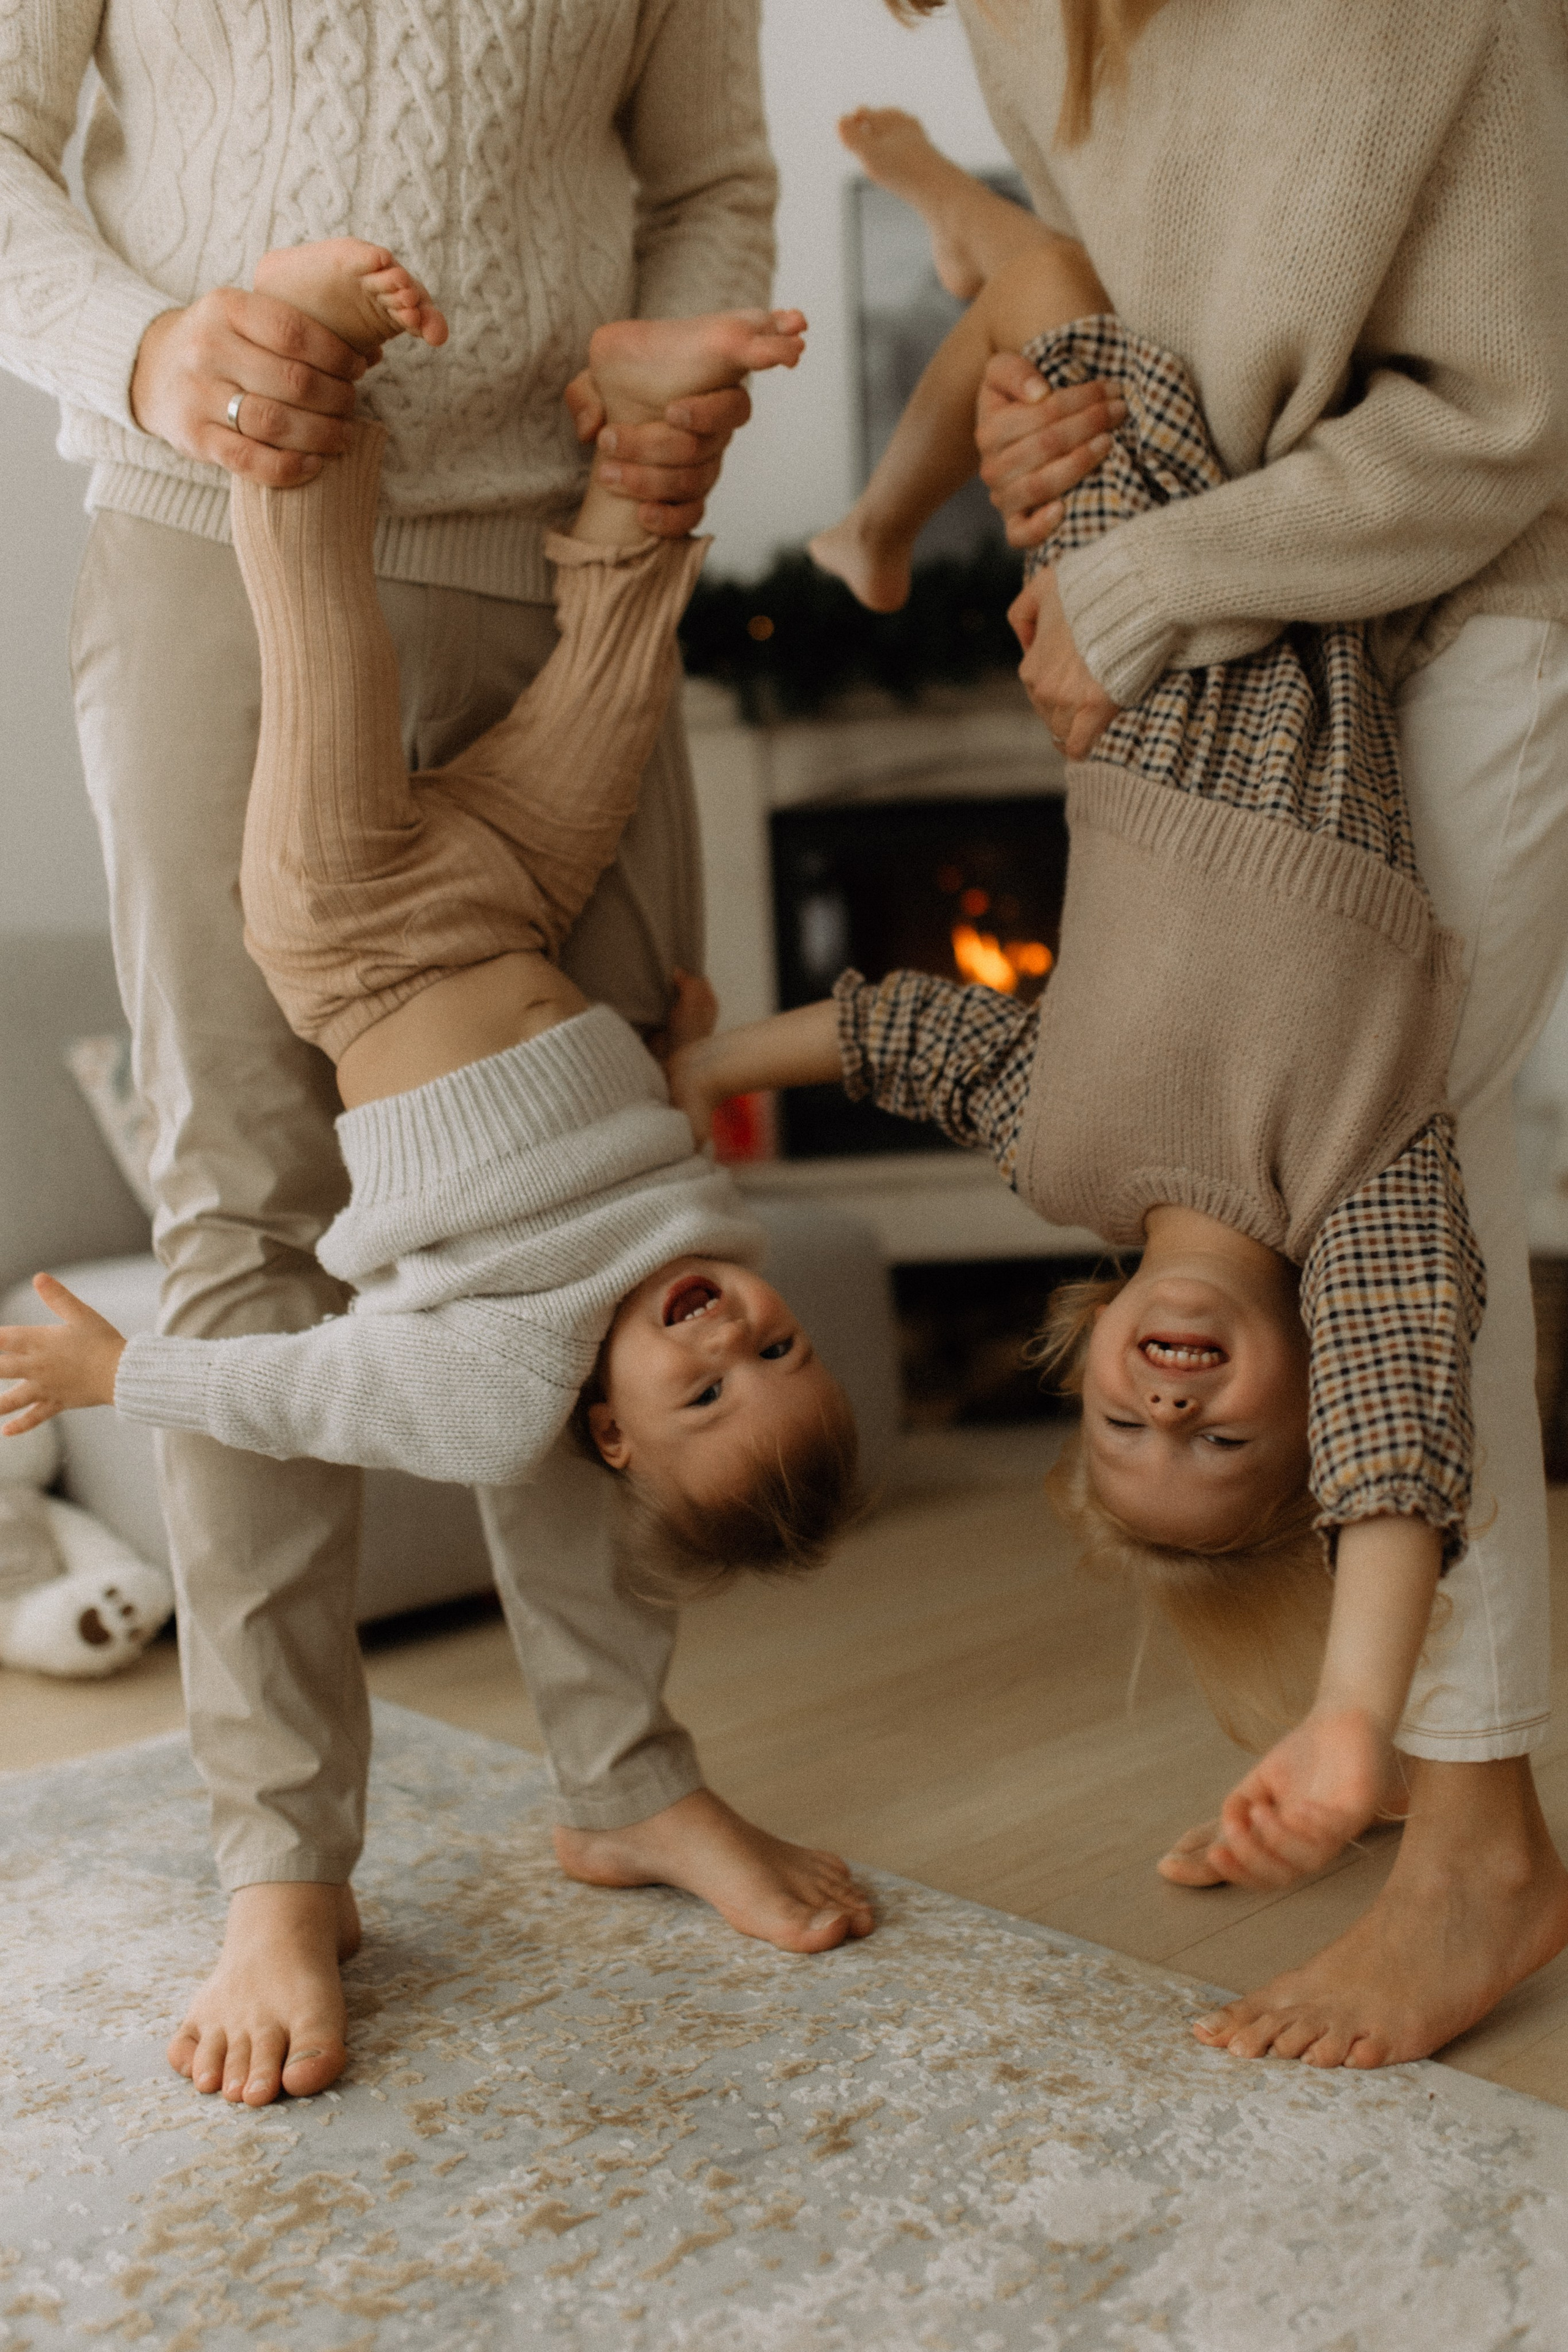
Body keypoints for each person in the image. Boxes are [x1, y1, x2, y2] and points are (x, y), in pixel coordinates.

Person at [0, 0, 874, 2114]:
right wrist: (155, 351)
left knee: (602, 1201)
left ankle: (625, 1776)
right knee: (248, 1222)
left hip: (552, 529)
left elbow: (708, 183)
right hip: (222, 513)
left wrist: (653, 409)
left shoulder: (611, 1356)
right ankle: (284, 1862)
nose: (737, 1340)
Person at [864, 0, 1568, 2069]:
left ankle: (1477, 1839)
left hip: (1463, 584)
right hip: (1214, 630)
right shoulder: (1020, 21)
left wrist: (1155, 579)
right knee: (1383, 1189)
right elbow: (1096, 305)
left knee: (1399, 1182)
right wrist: (1034, 443)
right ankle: (1417, 1762)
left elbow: (1511, 418)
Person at [669, 177, 1484, 1937]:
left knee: (1057, 292)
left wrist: (706, 1066)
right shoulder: (1357, 1187)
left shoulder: (1071, 1157)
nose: (1171, 1406)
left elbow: (908, 1034)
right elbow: (1407, 1421)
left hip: (1129, 659)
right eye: (1217, 1447)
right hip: (1277, 622)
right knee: (1079, 291)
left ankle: (903, 434)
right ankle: (916, 403)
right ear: (1308, 1429)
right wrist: (1352, 1714)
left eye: (1123, 1424)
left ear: (1089, 1345)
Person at [1, 244, 861, 1567]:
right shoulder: (708, 1235)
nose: (732, 1336)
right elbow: (647, 1140)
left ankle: (307, 363)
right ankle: (642, 432)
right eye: (778, 1347)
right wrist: (682, 1057)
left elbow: (291, 1394)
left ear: (616, 1439)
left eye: (705, 1390)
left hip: (355, 939)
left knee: (321, 628)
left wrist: (118, 1376)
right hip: (516, 895)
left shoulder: (496, 1401)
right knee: (619, 688)